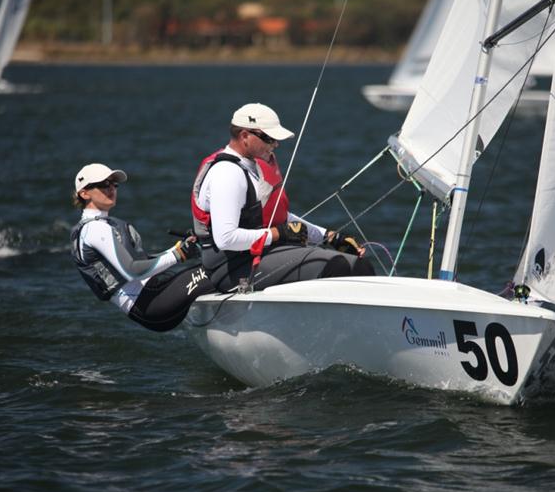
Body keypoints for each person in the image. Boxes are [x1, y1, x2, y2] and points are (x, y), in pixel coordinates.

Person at [191, 102, 375, 293]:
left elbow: (278, 216)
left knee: (359, 266)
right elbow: (226, 239)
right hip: (230, 268)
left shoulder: (249, 168)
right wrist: (279, 234)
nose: (276, 144)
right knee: (334, 265)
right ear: (245, 136)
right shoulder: (227, 173)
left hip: (260, 255)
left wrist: (329, 237)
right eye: (270, 138)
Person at [71, 163, 214, 331]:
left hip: (153, 296)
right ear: (84, 193)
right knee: (215, 269)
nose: (111, 189)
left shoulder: (102, 224)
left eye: (114, 184)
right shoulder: (95, 229)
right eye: (103, 185)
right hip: (150, 304)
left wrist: (180, 248)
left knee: (212, 266)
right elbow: (132, 271)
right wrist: (178, 254)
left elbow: (142, 263)